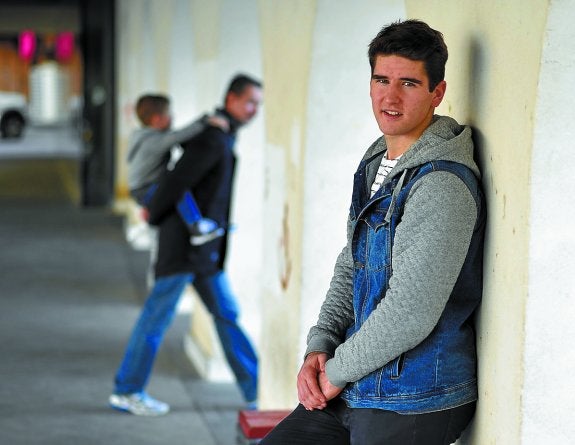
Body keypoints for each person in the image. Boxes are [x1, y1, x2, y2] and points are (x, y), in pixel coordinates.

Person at [261, 20, 486, 445]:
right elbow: (353, 262)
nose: (390, 97)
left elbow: (410, 311)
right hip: (360, 378)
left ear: (437, 93)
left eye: (409, 83)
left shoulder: (440, 184)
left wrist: (336, 372)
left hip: (414, 395)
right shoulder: (377, 160)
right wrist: (320, 345)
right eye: (382, 80)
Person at [110, 74, 263, 416]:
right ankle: (127, 390)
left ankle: (257, 391)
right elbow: (175, 183)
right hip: (182, 249)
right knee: (155, 319)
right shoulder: (211, 138)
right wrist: (153, 216)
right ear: (231, 99)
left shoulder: (221, 136)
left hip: (203, 252)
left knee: (227, 314)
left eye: (258, 105)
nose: (254, 110)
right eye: (250, 102)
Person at [127, 94, 227, 246]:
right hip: (145, 188)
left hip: (141, 187)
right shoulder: (154, 141)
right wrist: (205, 120)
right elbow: (179, 136)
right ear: (157, 119)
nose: (173, 117)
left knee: (171, 189)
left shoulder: (143, 136)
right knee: (176, 190)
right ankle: (196, 227)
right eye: (169, 114)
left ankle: (148, 224)